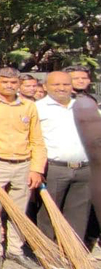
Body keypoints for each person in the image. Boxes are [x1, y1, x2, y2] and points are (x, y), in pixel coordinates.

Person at [0, 67, 46, 269]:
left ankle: (15, 249)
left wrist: (37, 168)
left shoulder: (28, 106)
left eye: (13, 82)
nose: (9, 86)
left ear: (19, 84)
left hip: (23, 163)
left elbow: (37, 139)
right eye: (5, 82)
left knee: (19, 211)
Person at [36, 72, 92, 245]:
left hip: (84, 168)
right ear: (45, 86)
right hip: (55, 168)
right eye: (56, 85)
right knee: (49, 212)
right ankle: (49, 251)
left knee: (79, 213)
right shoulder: (37, 108)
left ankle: (73, 250)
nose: (61, 88)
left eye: (66, 84)